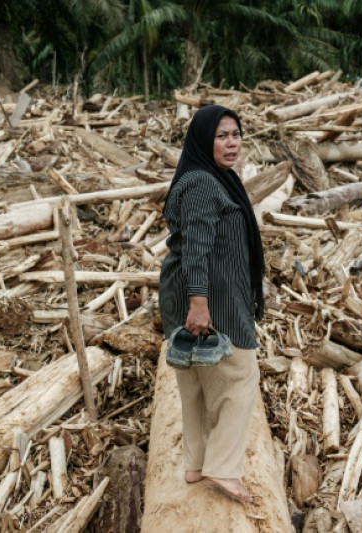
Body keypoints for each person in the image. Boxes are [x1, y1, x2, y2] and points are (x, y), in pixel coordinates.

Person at [158, 104, 266, 504]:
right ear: (205, 140)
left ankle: (196, 463)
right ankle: (223, 468)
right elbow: (197, 247)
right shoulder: (204, 184)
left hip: (192, 291)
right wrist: (199, 303)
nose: (232, 143)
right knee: (239, 375)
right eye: (222, 136)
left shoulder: (205, 177)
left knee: (195, 380)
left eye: (236, 134)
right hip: (210, 296)